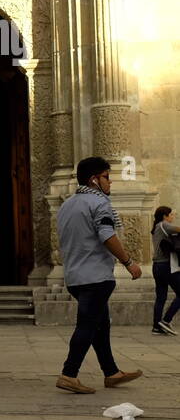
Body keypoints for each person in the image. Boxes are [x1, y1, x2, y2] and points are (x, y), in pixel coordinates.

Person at [55, 156, 143, 393]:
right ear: (94, 180)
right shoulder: (99, 203)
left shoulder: (67, 205)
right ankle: (69, 374)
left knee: (100, 325)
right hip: (95, 277)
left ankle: (111, 372)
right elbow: (107, 235)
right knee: (86, 326)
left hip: (74, 276)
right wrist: (129, 262)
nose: (110, 182)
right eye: (106, 176)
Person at [150, 205, 180, 335]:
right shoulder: (164, 224)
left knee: (161, 297)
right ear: (164, 216)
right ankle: (166, 320)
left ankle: (157, 326)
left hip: (156, 266)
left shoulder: (157, 227)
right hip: (166, 266)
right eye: (171, 214)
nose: (173, 217)